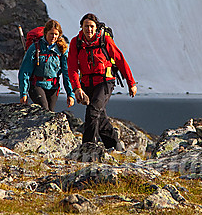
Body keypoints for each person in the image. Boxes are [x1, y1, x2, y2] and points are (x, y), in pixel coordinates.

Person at [67, 12, 137, 149]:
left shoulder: (104, 40)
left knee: (92, 112)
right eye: (86, 26)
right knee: (101, 118)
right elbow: (72, 67)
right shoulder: (76, 43)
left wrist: (131, 83)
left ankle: (88, 148)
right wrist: (77, 88)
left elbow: (120, 60)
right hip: (87, 84)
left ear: (96, 27)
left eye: (92, 26)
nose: (89, 29)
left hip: (105, 82)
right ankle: (116, 147)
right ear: (81, 27)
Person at [18, 19, 75, 111]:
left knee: (50, 113)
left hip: (53, 87)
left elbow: (66, 73)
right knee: (44, 110)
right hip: (36, 85)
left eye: (56, 34)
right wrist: (23, 93)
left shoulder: (62, 49)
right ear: (46, 33)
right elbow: (25, 71)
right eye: (51, 34)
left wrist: (70, 94)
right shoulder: (35, 47)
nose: (53, 36)